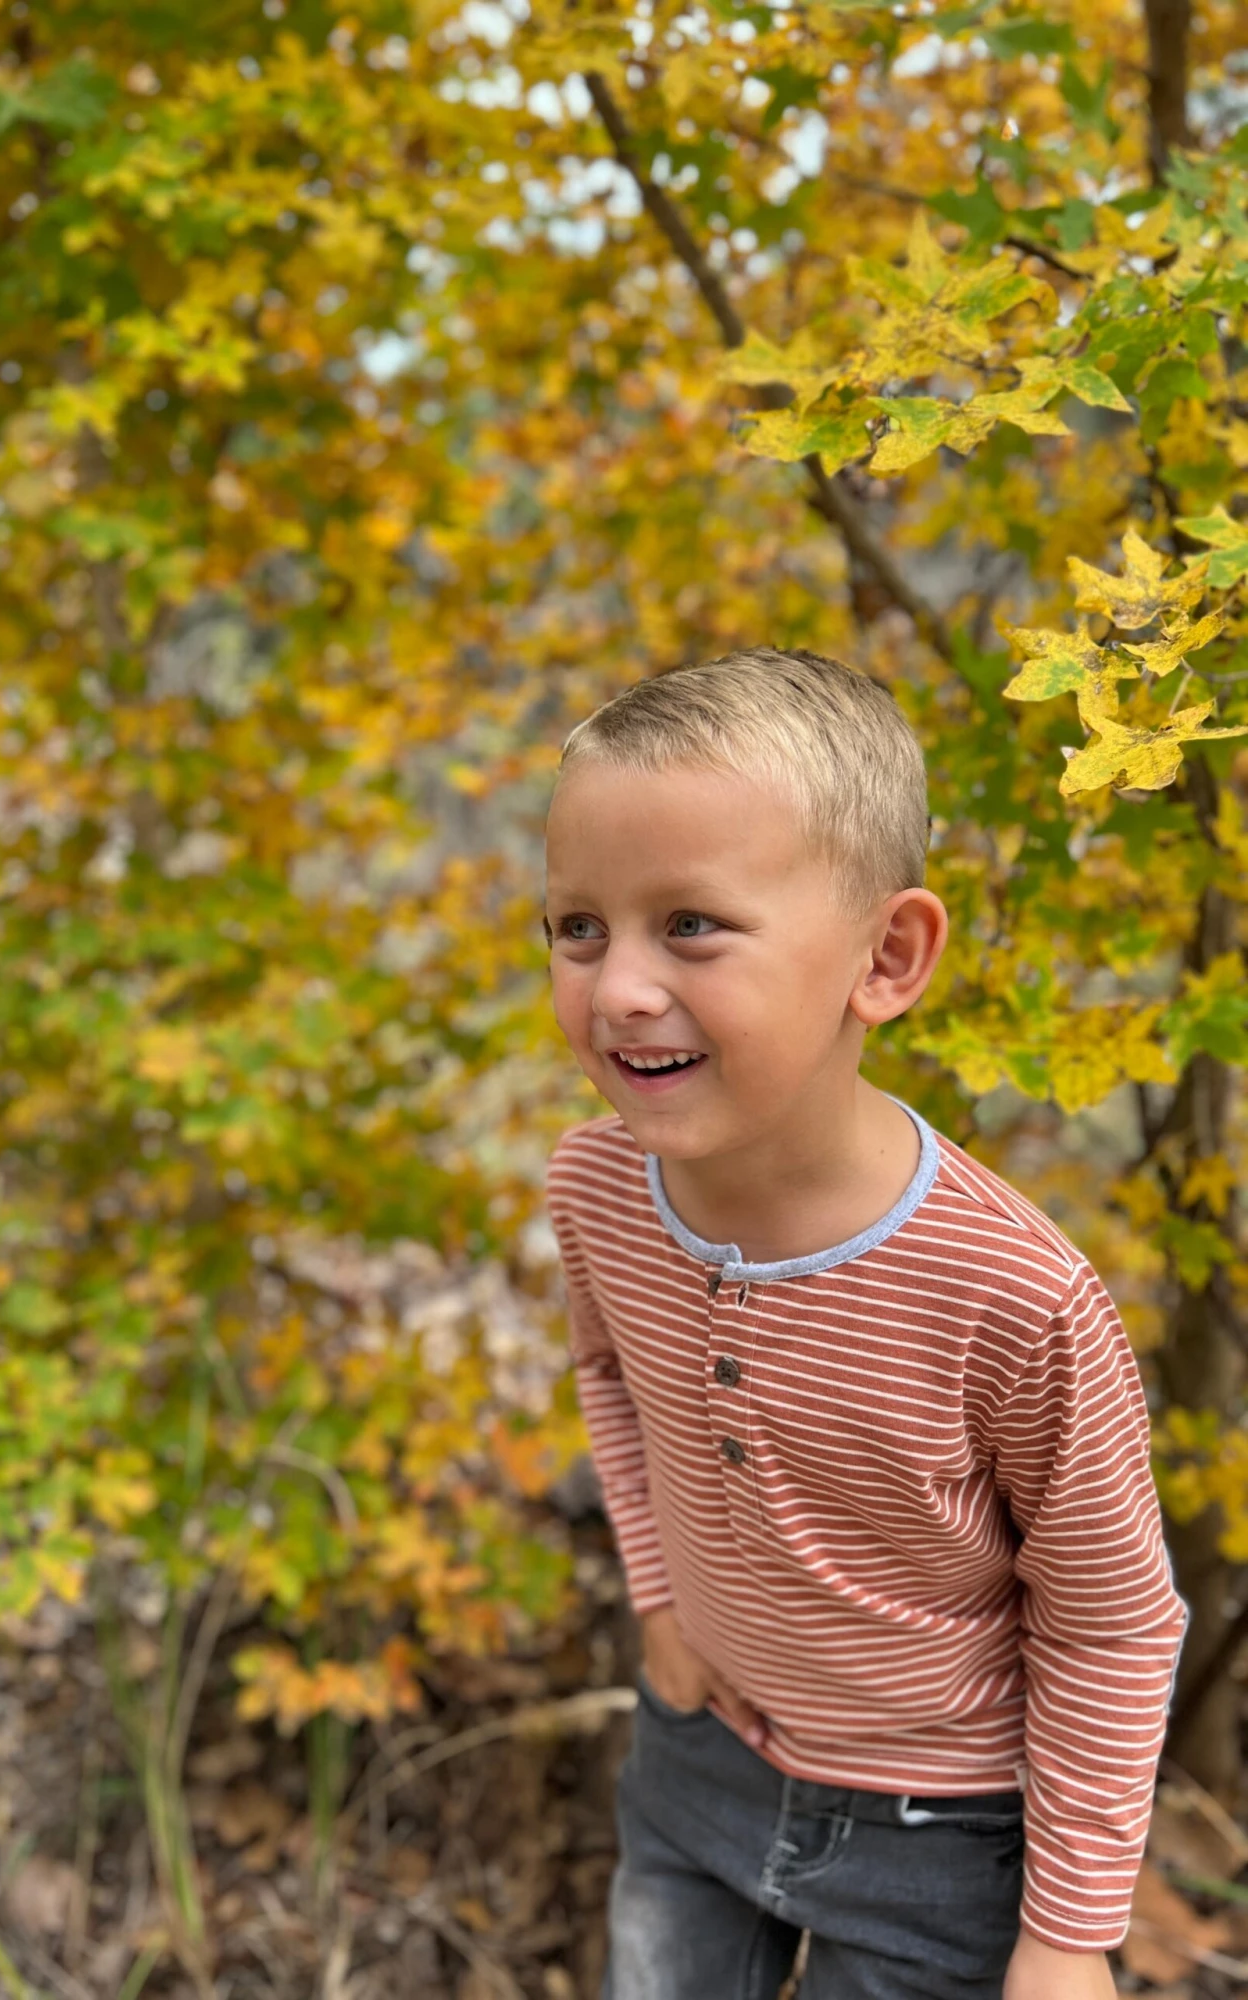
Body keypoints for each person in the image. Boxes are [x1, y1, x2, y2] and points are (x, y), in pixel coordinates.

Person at [543, 649, 1187, 2000]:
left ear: (886, 957)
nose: (618, 992)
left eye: (693, 926)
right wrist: (658, 1596)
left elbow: (1110, 1625)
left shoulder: (1011, 1300)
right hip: (698, 1759)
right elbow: (612, 1378)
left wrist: (1067, 1936)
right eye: (578, 927)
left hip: (940, 1834)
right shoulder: (596, 1185)